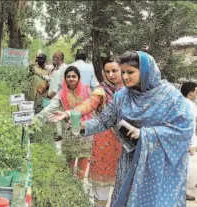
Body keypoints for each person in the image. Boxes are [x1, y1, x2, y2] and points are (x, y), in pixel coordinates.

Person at [66, 51, 193, 206]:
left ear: (145, 72)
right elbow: (103, 121)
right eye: (124, 72)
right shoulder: (123, 96)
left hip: (159, 164)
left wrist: (145, 134)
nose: (125, 77)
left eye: (130, 72)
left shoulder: (169, 96)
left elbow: (184, 128)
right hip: (129, 161)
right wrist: (81, 126)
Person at [50, 59, 123, 207]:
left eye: (114, 71)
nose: (111, 75)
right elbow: (88, 105)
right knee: (101, 188)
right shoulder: (100, 91)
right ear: (102, 73)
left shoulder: (131, 91)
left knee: (124, 187)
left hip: (127, 144)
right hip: (104, 143)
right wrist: (70, 113)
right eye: (107, 71)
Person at [34, 66, 93, 179]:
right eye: (68, 76)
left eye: (74, 76)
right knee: (69, 158)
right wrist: (36, 119)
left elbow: (92, 107)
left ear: (79, 77)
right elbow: (50, 107)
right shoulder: (62, 93)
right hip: (69, 129)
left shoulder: (87, 90)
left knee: (83, 157)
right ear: (65, 78)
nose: (71, 79)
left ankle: (79, 184)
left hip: (85, 130)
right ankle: (69, 183)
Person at [180, 81, 197, 201]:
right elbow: (189, 126)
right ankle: (182, 193)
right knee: (187, 168)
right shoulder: (189, 105)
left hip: (182, 141)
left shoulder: (180, 103)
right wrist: (191, 145)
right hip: (187, 142)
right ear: (190, 93)